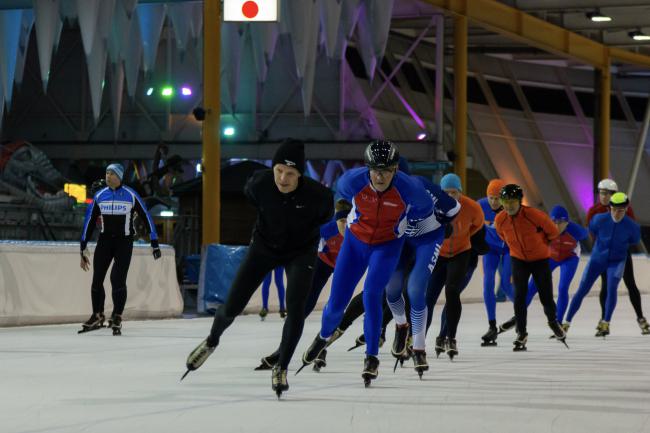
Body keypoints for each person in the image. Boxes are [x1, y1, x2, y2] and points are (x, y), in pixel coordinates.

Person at [182, 139, 333, 398]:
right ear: (272, 169)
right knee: (232, 305)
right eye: (278, 171)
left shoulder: (319, 196)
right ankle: (211, 341)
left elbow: (324, 218)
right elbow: (254, 202)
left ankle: (281, 367)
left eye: (290, 173)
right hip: (264, 248)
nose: (283, 178)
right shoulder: (259, 184)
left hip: (300, 252)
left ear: (300, 174)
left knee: (296, 309)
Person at [300, 140, 433, 387]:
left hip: (386, 247)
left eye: (386, 170)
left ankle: (371, 356)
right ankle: (322, 337)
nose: (380, 176)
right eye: (375, 170)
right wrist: (341, 214)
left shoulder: (410, 189)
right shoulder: (353, 180)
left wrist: (406, 227)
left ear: (396, 170)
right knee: (336, 304)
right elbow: (340, 194)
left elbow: (425, 211)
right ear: (367, 168)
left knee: (372, 295)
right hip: (355, 243)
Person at [254, 199, 352, 371]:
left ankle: (322, 343)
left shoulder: (357, 232)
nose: (343, 226)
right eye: (340, 222)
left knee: (336, 307)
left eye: (346, 222)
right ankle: (281, 350)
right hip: (323, 263)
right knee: (304, 305)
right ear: (335, 220)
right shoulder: (325, 230)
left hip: (347, 266)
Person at [79, 163, 161, 335]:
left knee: (117, 279)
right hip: (105, 241)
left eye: (111, 173)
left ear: (119, 176)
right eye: (106, 173)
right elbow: (88, 221)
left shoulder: (131, 195)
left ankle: (117, 316)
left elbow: (146, 217)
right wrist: (83, 245)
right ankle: (97, 314)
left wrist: (154, 242)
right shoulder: (100, 195)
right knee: (96, 280)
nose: (108, 176)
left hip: (124, 243)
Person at [494, 184, 567, 351]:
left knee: (546, 296)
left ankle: (553, 322)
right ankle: (521, 332)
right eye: (505, 201)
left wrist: (541, 245)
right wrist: (516, 249)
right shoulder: (500, 220)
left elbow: (553, 233)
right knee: (519, 296)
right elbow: (503, 236)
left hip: (540, 259)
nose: (508, 206)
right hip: (518, 259)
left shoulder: (534, 215)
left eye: (512, 201)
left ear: (520, 201)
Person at [424, 173, 484, 360]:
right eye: (446, 192)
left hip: (460, 253)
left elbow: (477, 226)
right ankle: (417, 339)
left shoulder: (472, 208)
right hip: (439, 255)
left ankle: (451, 338)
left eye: (454, 192)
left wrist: (463, 238)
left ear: (460, 192)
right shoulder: (432, 205)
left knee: (452, 291)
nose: (450, 196)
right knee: (429, 297)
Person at [565, 193, 641, 336]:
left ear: (626, 210)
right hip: (597, 259)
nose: (617, 214)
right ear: (609, 208)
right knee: (582, 289)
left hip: (617, 261)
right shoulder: (599, 220)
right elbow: (592, 231)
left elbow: (634, 240)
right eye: (614, 210)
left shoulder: (632, 226)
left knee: (612, 288)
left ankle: (606, 322)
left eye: (621, 211)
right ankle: (566, 322)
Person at [586, 178, 649, 335]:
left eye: (607, 193)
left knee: (630, 284)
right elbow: (592, 233)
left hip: (621, 253)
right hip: (603, 254)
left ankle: (641, 319)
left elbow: (631, 230)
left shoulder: (626, 209)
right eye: (601, 193)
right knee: (606, 286)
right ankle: (604, 322)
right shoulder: (594, 211)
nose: (603, 196)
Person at [526, 205, 587, 327]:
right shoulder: (543, 229)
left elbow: (589, 233)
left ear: (568, 222)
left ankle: (558, 322)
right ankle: (518, 315)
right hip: (551, 257)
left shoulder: (577, 231)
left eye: (561, 222)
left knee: (563, 287)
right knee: (532, 286)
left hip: (570, 258)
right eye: (554, 222)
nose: (557, 226)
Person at [478, 179, 515, 346]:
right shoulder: (480, 206)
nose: (493, 202)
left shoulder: (510, 207)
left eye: (496, 198)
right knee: (487, 284)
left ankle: (520, 312)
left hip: (508, 249)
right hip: (490, 249)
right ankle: (492, 326)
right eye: (490, 198)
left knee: (506, 285)